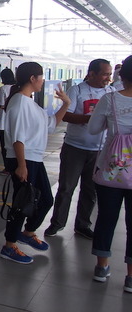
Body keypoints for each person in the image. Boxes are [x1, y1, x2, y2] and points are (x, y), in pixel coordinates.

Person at [0, 62, 71, 264]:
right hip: (24, 158)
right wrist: (21, 166)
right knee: (23, 204)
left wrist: (66, 104)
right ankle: (9, 245)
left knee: (46, 199)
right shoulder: (19, 103)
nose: (43, 82)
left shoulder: (29, 103)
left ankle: (28, 232)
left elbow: (50, 125)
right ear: (33, 78)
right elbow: (17, 138)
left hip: (34, 158)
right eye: (41, 77)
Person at [44, 59, 113, 239]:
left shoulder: (111, 92)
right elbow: (65, 115)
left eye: (110, 74)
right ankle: (57, 223)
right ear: (92, 74)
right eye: (105, 74)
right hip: (75, 147)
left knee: (90, 190)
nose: (108, 78)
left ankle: (83, 225)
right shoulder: (77, 90)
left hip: (99, 149)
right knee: (66, 187)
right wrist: (89, 119)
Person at [88, 56, 132, 289]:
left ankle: (102, 267)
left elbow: (94, 129)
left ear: (121, 76)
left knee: (106, 218)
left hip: (111, 169)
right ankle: (130, 277)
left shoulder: (110, 99)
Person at [0, 68, 16, 175]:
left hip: (4, 121)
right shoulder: (17, 87)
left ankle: (7, 168)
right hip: (14, 121)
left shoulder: (3, 89)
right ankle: (14, 167)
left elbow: (2, 105)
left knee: (4, 146)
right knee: (13, 145)